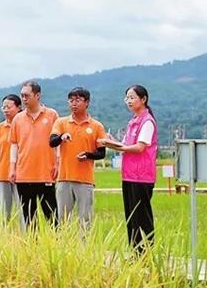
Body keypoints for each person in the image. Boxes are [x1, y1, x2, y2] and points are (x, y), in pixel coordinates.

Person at [99, 85, 158, 254]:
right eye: (127, 98)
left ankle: (146, 253)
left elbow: (139, 147)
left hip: (142, 176)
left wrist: (119, 147)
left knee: (142, 217)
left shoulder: (147, 122)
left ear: (143, 99)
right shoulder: (133, 121)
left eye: (132, 97)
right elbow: (125, 145)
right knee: (131, 217)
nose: (129, 101)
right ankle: (134, 253)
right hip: (129, 175)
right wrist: (112, 142)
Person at [49, 87, 106, 231]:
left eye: (78, 100)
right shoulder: (61, 122)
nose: (73, 103)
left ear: (86, 102)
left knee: (85, 218)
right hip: (64, 178)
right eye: (71, 100)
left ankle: (84, 249)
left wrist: (88, 155)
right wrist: (61, 137)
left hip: (85, 180)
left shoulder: (96, 126)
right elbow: (52, 142)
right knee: (63, 218)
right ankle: (64, 249)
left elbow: (101, 153)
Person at [9, 80, 59, 230]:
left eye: (27, 95)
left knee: (51, 214)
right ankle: (32, 247)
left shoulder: (52, 115)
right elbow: (14, 144)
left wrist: (58, 163)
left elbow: (58, 143)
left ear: (37, 95)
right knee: (29, 216)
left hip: (46, 172)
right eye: (22, 96)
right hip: (24, 173)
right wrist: (12, 168)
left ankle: (57, 246)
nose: (23, 99)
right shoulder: (18, 118)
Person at [0, 94, 22, 223]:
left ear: (18, 107)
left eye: (8, 107)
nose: (5, 110)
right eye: (3, 107)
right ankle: (5, 239)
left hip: (22, 175)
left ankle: (25, 240)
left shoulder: (24, 125)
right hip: (2, 174)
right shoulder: (0, 128)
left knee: (23, 211)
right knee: (4, 212)